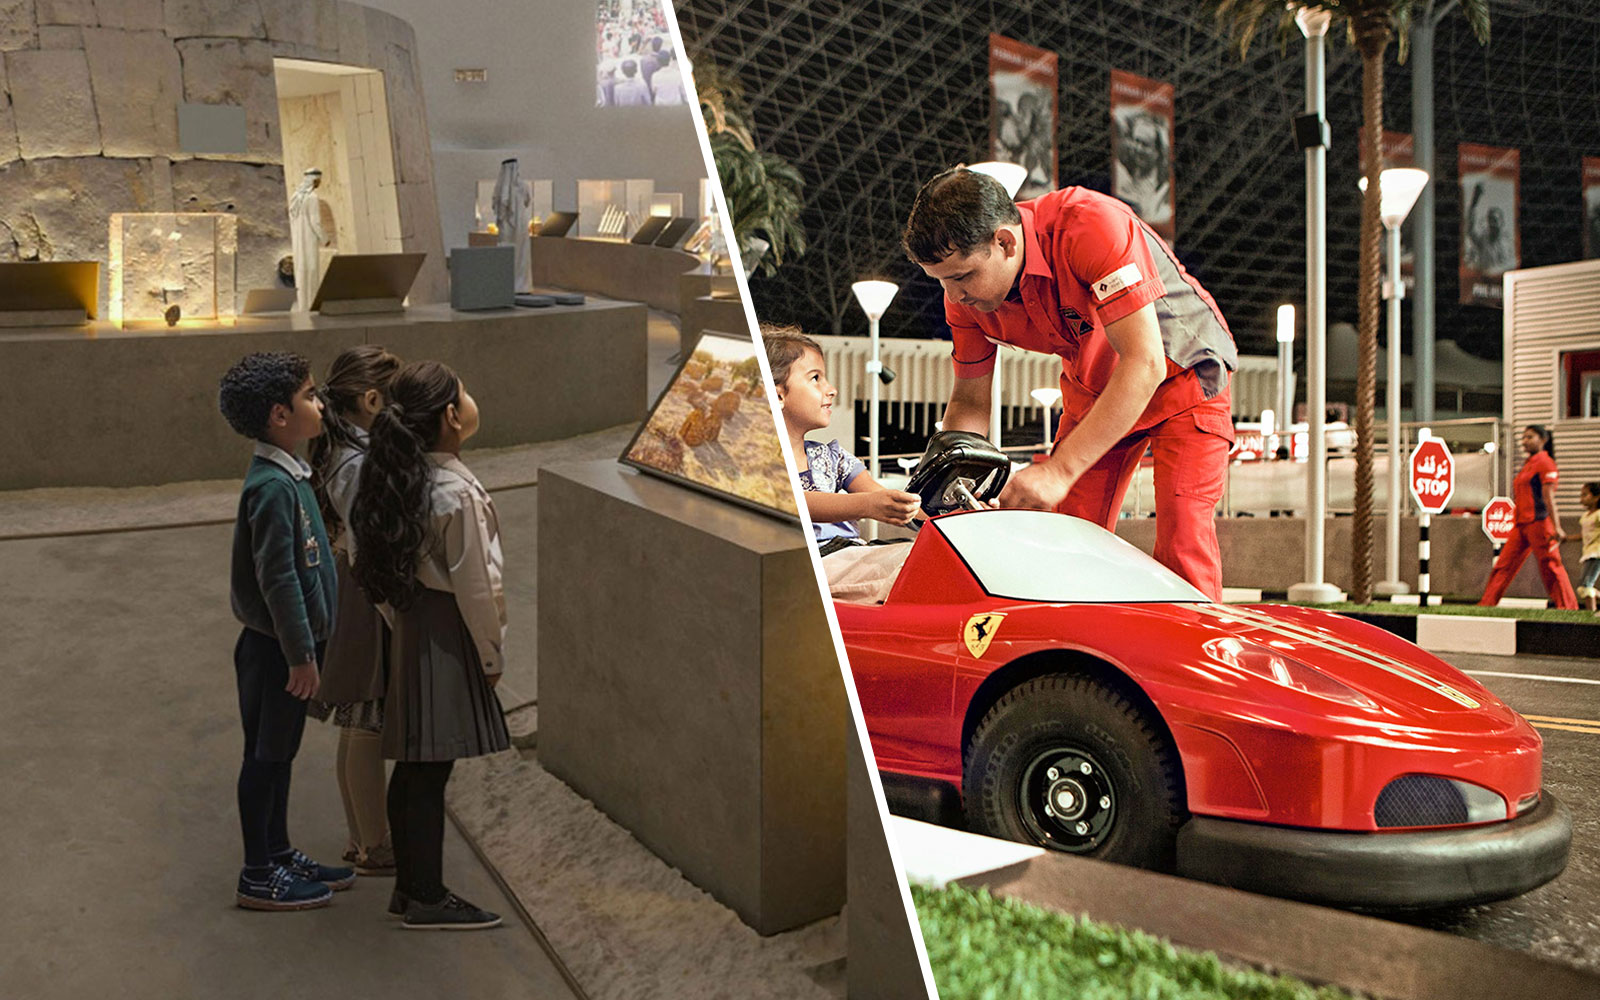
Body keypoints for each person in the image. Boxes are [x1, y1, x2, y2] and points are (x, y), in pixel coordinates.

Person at [903, 166, 1238, 600]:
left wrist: (1059, 470)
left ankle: (1192, 657)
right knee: (1066, 536)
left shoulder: (1090, 224)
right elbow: (969, 400)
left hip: (1184, 377)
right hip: (1094, 390)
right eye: (942, 281)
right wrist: (947, 486)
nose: (954, 295)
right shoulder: (963, 300)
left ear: (1005, 242)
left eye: (962, 276)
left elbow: (1144, 362)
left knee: (1182, 533)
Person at [350, 361, 510, 930]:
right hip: (448, 634)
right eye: (464, 392)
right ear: (450, 416)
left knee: (418, 767)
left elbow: (376, 571)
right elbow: (478, 586)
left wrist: (404, 624)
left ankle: (412, 888)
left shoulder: (399, 477)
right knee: (428, 769)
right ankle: (425, 896)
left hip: (415, 627)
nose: (470, 399)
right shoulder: (454, 492)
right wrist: (490, 656)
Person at [217, 351, 356, 910]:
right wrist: (301, 654)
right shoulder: (272, 488)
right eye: (309, 395)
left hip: (290, 650)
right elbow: (278, 581)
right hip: (275, 652)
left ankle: (278, 851)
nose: (319, 403)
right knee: (265, 756)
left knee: (282, 753)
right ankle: (257, 872)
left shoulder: (291, 474)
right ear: (279, 415)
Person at [308, 345, 403, 876]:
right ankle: (376, 844)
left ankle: (361, 839)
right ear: (371, 401)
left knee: (355, 723)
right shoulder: (359, 462)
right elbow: (372, 541)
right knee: (366, 721)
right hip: (369, 596)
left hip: (351, 585)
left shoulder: (336, 450)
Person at [766, 326, 920, 603]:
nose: (832, 389)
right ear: (778, 396)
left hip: (849, 556)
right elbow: (794, 502)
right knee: (910, 565)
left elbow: (881, 496)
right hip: (808, 564)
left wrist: (955, 512)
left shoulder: (834, 458)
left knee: (929, 557)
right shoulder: (760, 460)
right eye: (815, 378)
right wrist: (867, 505)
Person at [1480, 425, 1577, 609]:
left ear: (1543, 439)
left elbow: (1549, 498)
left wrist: (1557, 527)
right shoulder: (1528, 464)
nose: (1524, 441)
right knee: (1503, 565)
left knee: (1550, 565)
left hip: (1539, 523)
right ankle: (1487, 603)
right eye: (1523, 437)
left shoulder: (1546, 463)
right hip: (1520, 525)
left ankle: (1568, 606)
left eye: (1529, 437)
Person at [288, 168, 326, 312]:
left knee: (301, 270)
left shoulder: (295, 196)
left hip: (298, 239)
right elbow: (315, 222)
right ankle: (311, 306)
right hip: (309, 238)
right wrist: (324, 238)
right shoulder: (312, 197)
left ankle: (303, 306)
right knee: (311, 270)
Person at [1576, 482, 1600, 614]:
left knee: (1586, 586)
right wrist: (1566, 538)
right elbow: (1584, 535)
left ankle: (1591, 615)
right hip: (1588, 553)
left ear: (1596, 497)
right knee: (1583, 588)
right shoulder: (1585, 516)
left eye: (1585, 495)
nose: (1581, 499)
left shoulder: (1598, 514)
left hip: (1597, 553)